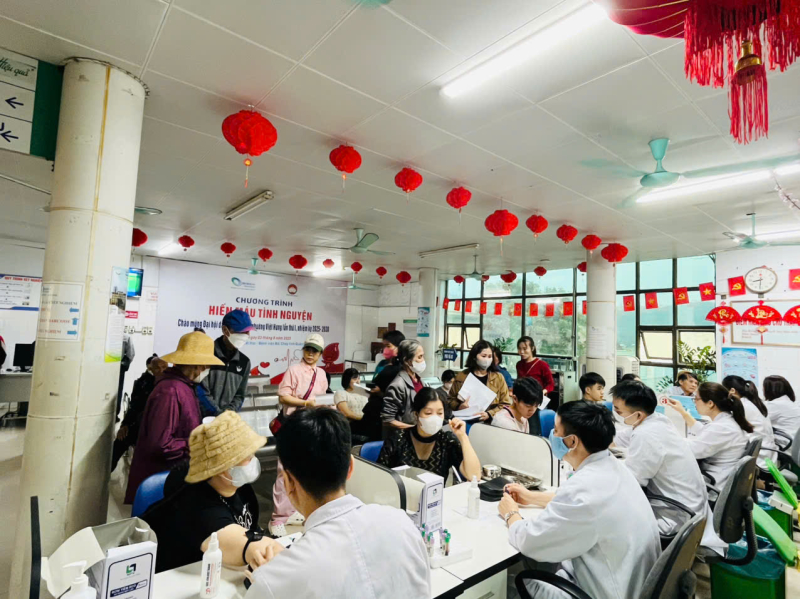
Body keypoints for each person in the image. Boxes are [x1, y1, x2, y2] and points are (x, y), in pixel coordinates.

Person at [245, 409, 431, 599]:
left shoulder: (275, 581)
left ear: (287, 482)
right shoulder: (403, 523)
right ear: (351, 467)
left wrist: (272, 576)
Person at [498, 401, 661, 599]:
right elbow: (580, 505)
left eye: (556, 430)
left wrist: (511, 514)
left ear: (572, 441)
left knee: (509, 582)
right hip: (629, 580)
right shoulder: (614, 467)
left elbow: (531, 542)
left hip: (603, 592)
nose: (552, 435)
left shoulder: (584, 489)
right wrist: (532, 497)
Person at [142, 411, 271, 572]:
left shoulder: (240, 488)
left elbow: (252, 530)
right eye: (248, 457)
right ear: (222, 466)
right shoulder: (196, 504)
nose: (254, 461)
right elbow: (249, 547)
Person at [611, 381, 725, 555]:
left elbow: (634, 480)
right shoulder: (656, 420)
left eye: (618, 411)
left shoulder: (646, 433)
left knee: (610, 521)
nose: (616, 414)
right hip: (691, 507)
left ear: (638, 414)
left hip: (676, 517)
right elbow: (621, 437)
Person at [125, 331, 224, 503]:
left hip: (176, 477)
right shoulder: (170, 391)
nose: (208, 370)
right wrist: (196, 443)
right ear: (199, 366)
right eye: (208, 366)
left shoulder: (185, 387)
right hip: (162, 483)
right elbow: (161, 444)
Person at [270, 333, 329, 537]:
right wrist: (306, 403)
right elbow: (283, 396)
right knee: (285, 470)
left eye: (315, 351)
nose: (310, 354)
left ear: (320, 354)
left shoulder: (321, 374)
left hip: (311, 425)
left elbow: (322, 398)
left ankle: (296, 509)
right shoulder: (293, 370)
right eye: (308, 349)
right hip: (292, 424)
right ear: (303, 350)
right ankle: (278, 517)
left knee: (305, 469)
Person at [378, 388, 481, 481]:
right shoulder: (398, 439)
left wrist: (463, 437)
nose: (435, 418)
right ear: (416, 414)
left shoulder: (447, 440)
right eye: (428, 413)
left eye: (440, 413)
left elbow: (474, 476)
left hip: (435, 496)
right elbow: (379, 477)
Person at [667, 382, 752, 489]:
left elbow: (694, 450)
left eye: (696, 399)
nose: (694, 402)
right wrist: (683, 412)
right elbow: (704, 431)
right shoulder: (726, 421)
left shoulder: (722, 427)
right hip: (717, 476)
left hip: (714, 484)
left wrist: (667, 437)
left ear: (710, 403)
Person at [112, 354, 167, 472]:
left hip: (158, 429)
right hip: (140, 425)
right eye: (158, 368)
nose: (162, 371)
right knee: (118, 446)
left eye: (165, 367)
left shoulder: (169, 385)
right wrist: (125, 425)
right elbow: (135, 406)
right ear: (151, 369)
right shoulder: (143, 383)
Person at [201, 309, 254, 416]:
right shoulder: (206, 355)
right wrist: (217, 414)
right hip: (203, 419)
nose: (247, 335)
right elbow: (201, 392)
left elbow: (240, 395)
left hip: (227, 420)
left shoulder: (244, 362)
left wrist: (228, 414)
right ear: (225, 330)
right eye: (242, 331)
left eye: (248, 331)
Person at [448, 340, 511, 422]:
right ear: (474, 357)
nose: (487, 360)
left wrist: (489, 414)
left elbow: (505, 404)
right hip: (464, 421)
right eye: (483, 356)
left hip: (490, 423)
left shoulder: (498, 378)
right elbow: (450, 399)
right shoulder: (462, 376)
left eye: (490, 356)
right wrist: (459, 406)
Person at [723, 375, 777, 468]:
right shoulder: (753, 402)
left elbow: (727, 428)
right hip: (767, 454)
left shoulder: (742, 405)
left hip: (759, 458)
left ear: (732, 390)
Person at [381, 339, 428, 432]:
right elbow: (387, 420)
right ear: (407, 361)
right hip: (405, 436)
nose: (423, 360)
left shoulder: (421, 381)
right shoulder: (397, 385)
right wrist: (414, 429)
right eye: (420, 357)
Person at [335, 368, 368, 441]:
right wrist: (365, 419)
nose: (358, 381)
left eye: (359, 378)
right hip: (351, 428)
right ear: (347, 380)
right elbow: (346, 413)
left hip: (367, 427)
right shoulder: (341, 393)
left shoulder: (364, 393)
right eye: (354, 378)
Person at [763, 375, 800, 440]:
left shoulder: (776, 404)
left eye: (764, 388)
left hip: (784, 442)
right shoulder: (788, 403)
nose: (762, 390)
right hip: (794, 442)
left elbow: (758, 420)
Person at [116, 333, 136, 421]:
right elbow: (131, 354)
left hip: (103, 367)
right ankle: (115, 413)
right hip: (119, 368)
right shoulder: (126, 337)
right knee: (117, 391)